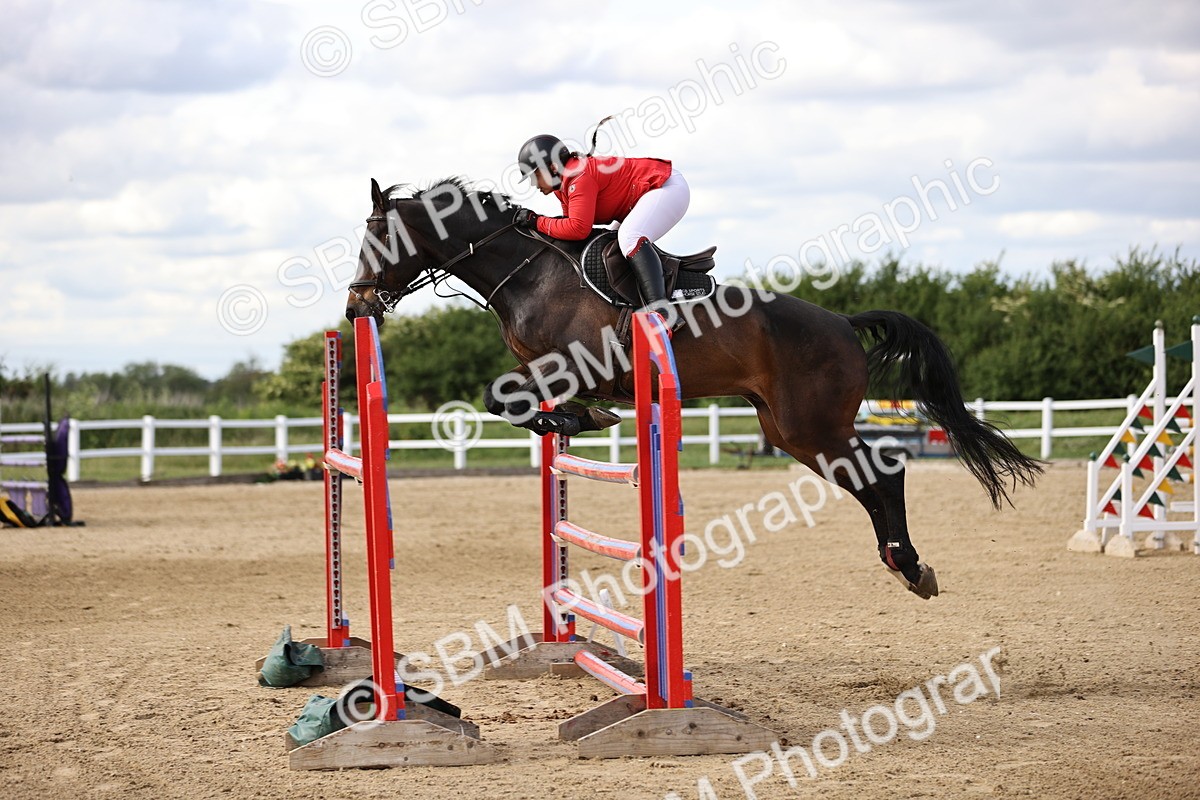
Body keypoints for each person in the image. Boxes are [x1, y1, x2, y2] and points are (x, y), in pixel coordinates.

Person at [513, 132, 690, 320]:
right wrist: (539, 223)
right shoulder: (562, 185)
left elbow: (578, 229)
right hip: (643, 197)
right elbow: (570, 230)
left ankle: (662, 311)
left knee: (629, 237)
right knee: (609, 245)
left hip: (666, 187)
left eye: (535, 175)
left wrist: (536, 221)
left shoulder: (579, 176)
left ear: (552, 167)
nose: (534, 184)